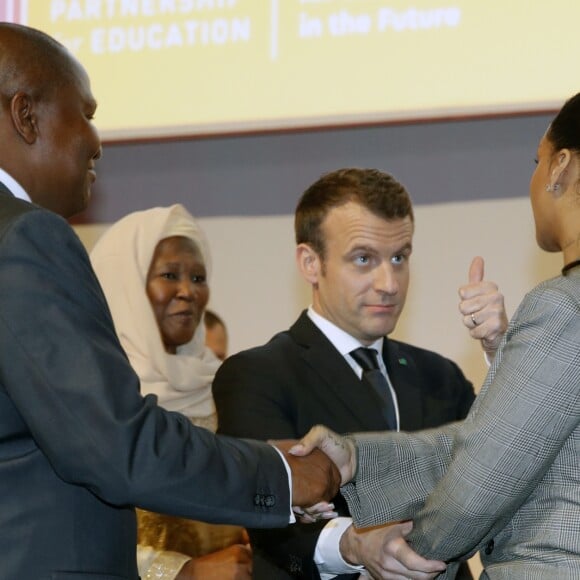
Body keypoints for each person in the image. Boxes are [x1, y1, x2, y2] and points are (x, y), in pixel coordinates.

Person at [0, 22, 339, 579]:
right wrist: (279, 474)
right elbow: (112, 444)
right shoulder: (25, 237)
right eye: (84, 112)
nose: (96, 140)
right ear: (26, 116)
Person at [296, 94, 580, 578]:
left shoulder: (563, 305)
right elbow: (489, 444)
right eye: (365, 259)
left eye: (537, 161)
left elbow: (482, 478)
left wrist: (402, 551)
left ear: (561, 166)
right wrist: (359, 459)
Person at [212, 168, 507, 579]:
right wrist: (352, 544)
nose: (389, 283)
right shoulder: (256, 374)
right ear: (310, 263)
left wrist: (501, 350)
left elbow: (507, 472)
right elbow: (266, 513)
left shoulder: (441, 377)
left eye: (399, 257)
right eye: (364, 259)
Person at [90, 204, 251, 579]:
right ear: (124, 285)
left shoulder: (223, 387)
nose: (187, 292)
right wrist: (179, 572)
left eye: (198, 277)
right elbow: (68, 532)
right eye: (169, 275)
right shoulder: (97, 397)